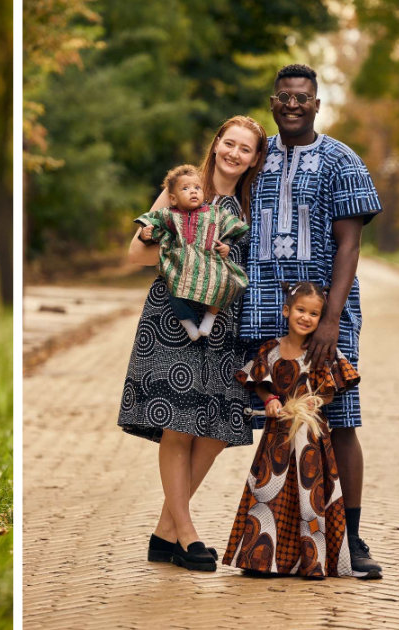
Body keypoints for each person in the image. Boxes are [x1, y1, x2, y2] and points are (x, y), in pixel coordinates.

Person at [240, 64, 383, 578]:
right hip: (262, 307)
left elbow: (350, 243)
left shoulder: (342, 160)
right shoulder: (258, 159)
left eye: (302, 97)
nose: (292, 104)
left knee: (339, 421)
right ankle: (279, 539)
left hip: (325, 310)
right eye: (284, 96)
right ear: (274, 102)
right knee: (273, 418)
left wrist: (331, 320)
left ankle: (353, 540)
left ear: (316, 104)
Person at [119, 116, 268, 572]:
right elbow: (136, 252)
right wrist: (187, 257)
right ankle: (186, 533)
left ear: (254, 158)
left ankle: (164, 533)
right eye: (229, 143)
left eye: (246, 148)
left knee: (216, 431)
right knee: (178, 427)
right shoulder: (185, 187)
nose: (235, 153)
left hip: (223, 324)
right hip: (172, 318)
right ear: (216, 144)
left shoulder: (250, 202)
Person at [224, 282, 359, 578]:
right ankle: (263, 559)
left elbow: (329, 391)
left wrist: (315, 399)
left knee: (308, 498)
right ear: (287, 311)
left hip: (310, 439)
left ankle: (311, 560)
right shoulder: (271, 350)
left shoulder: (321, 353)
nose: (306, 317)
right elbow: (259, 381)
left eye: (314, 313)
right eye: (301, 310)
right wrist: (270, 400)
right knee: (271, 495)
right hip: (277, 441)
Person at [134, 164, 250, 340]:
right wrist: (145, 234)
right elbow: (151, 225)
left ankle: (210, 317)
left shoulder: (216, 213)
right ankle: (188, 323)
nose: (193, 192)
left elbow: (228, 234)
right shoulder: (169, 215)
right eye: (186, 188)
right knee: (174, 292)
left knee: (223, 284)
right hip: (181, 267)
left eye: (197, 188)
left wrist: (226, 247)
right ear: (173, 199)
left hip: (210, 265)